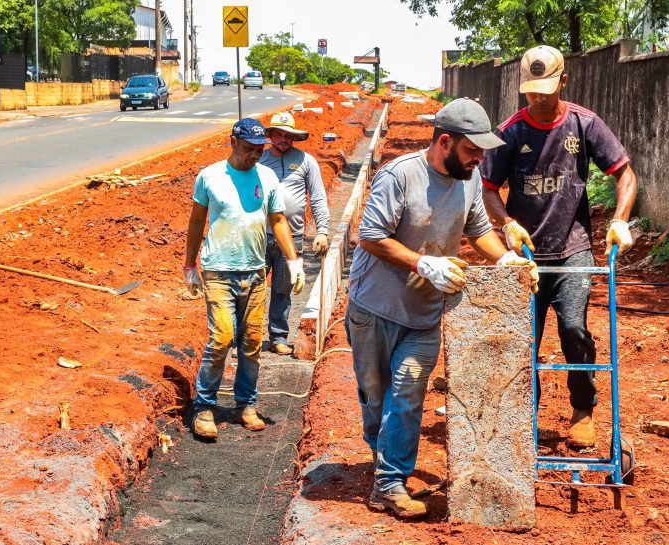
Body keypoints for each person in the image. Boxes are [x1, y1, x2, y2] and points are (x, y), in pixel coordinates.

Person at [346, 98, 539, 518]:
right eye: (472, 150)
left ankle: (389, 481)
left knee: (408, 394)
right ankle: (384, 460)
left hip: (425, 313)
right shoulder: (399, 176)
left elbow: (480, 231)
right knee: (376, 401)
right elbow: (371, 237)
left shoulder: (469, 179)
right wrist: (423, 262)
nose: (479, 159)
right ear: (445, 142)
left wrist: (505, 260)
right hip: (374, 308)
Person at [480, 45, 637, 448]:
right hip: (526, 254)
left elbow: (625, 175)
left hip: (573, 248)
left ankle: (583, 409)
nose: (537, 99)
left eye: (545, 91)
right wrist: (507, 223)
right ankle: (521, 418)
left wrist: (619, 218)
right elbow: (489, 190)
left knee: (573, 328)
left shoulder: (585, 125)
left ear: (563, 81)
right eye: (531, 92)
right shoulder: (510, 132)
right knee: (523, 339)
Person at [183, 118, 306, 440]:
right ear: (233, 142)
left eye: (259, 149)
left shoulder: (266, 177)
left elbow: (277, 219)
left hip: (254, 272)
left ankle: (245, 405)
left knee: (251, 344)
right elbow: (197, 222)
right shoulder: (210, 177)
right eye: (250, 149)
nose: (255, 155)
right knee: (222, 338)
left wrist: (293, 260)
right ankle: (204, 406)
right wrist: (189, 265)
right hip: (219, 270)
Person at [259, 111, 330, 355]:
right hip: (260, 235)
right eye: (278, 134)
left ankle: (278, 336)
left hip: (293, 237)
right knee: (252, 289)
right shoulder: (258, 161)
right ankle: (247, 340)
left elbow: (318, 196)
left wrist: (322, 230)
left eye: (288, 135)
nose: (283, 139)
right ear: (270, 136)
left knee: (282, 288)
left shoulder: (306, 161)